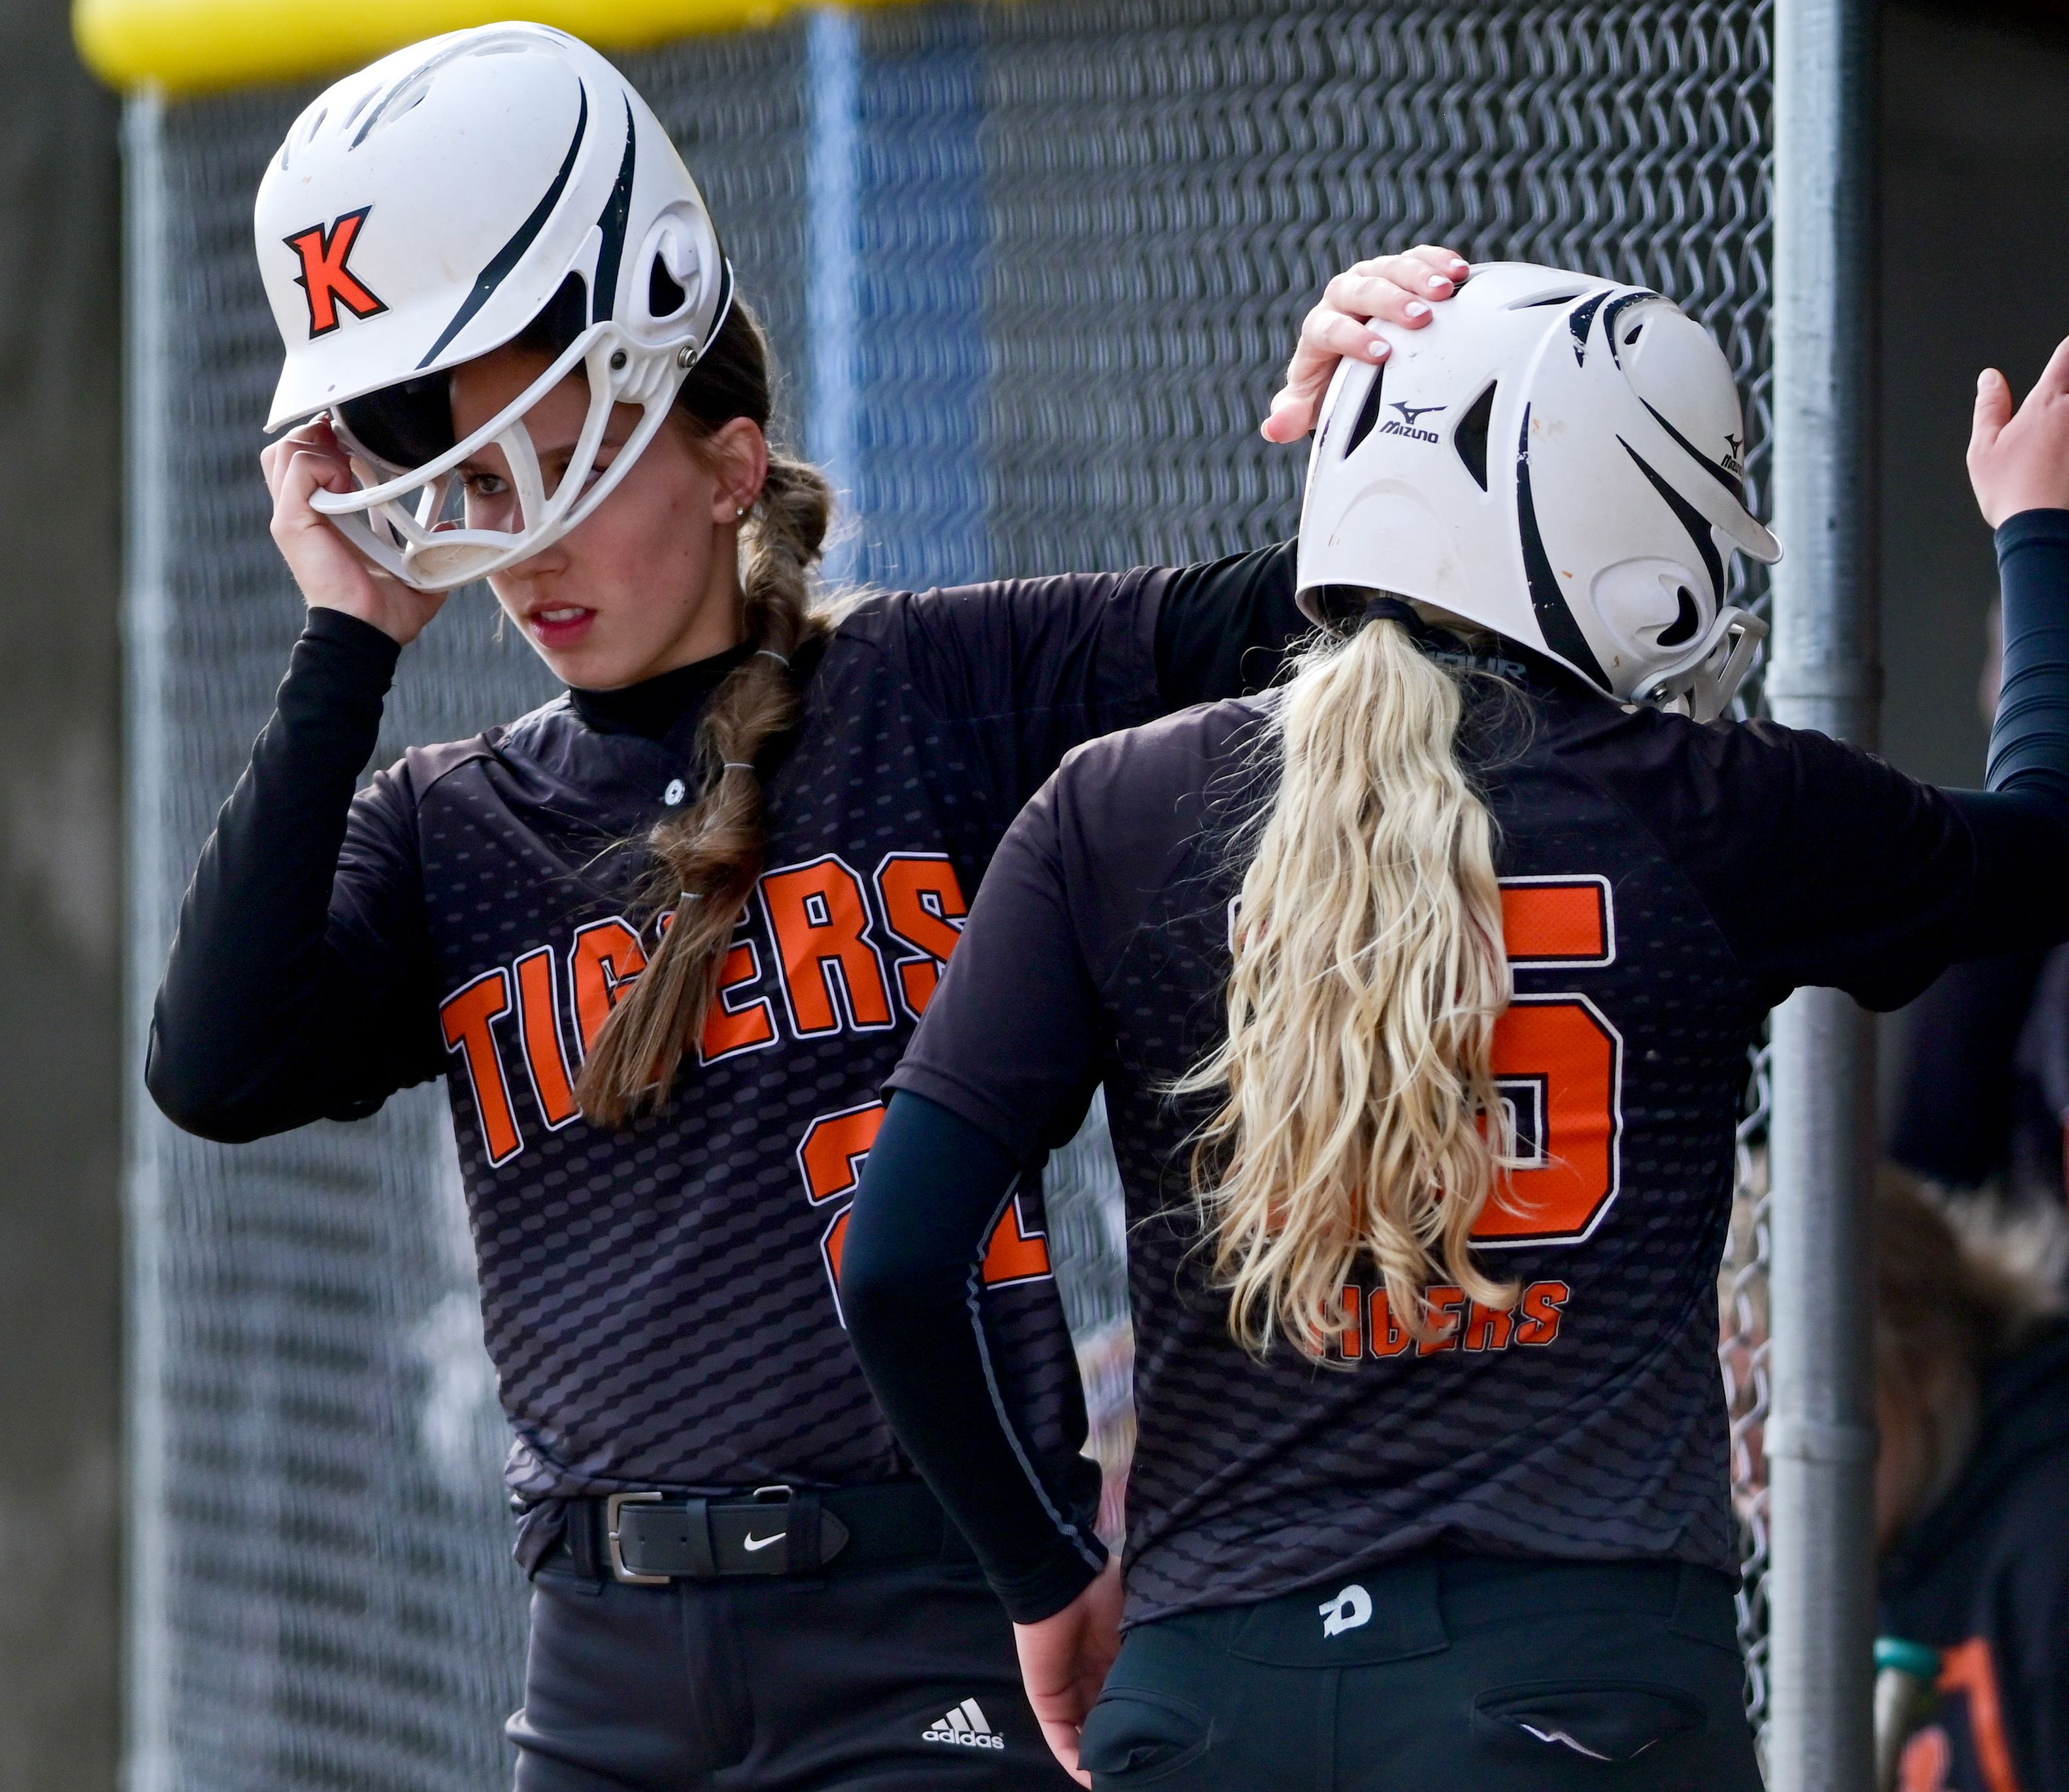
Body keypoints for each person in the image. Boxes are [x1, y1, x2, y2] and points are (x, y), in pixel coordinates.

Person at [146, 22, 1461, 1789]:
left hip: (933, 1616)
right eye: (469, 487)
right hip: (602, 1664)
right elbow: (216, 1065)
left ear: (727, 457)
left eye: (563, 464)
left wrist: (1360, 407)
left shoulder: (931, 692)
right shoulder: (449, 825)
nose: (521, 547)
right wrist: (346, 640)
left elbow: (1344, 610)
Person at [839, 258, 2069, 1789]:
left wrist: (1045, 1566)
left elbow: (896, 1265)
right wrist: (2048, 528)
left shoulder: (1116, 806)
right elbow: (2056, 844)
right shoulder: (1701, 804)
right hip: (1577, 1678)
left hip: (1218, 1687)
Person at [1892, 489, 2069, 1351]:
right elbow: (1932, 1179)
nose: (1999, 698)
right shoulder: (2029, 930)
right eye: (2007, 657)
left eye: (2055, 659)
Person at [1872, 1170, 2069, 1792]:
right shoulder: (1902, 1540)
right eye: (1716, 1420)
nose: (1742, 1463)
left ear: (1917, 1363)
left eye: (1763, 1398)